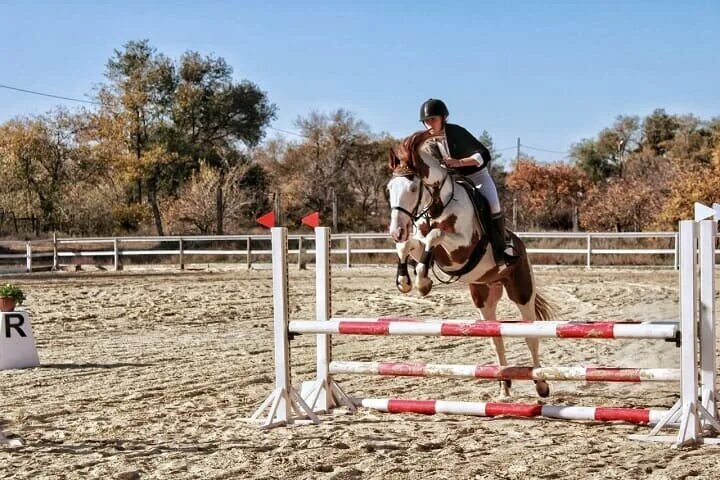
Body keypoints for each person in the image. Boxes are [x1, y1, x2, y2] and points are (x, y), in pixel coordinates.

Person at [419, 98, 516, 266]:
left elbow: (483, 154)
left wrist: (459, 162)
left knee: (493, 205)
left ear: (444, 118)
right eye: (426, 121)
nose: (429, 125)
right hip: (453, 181)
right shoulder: (426, 142)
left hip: (477, 176)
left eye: (433, 119)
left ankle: (502, 248)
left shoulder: (456, 132)